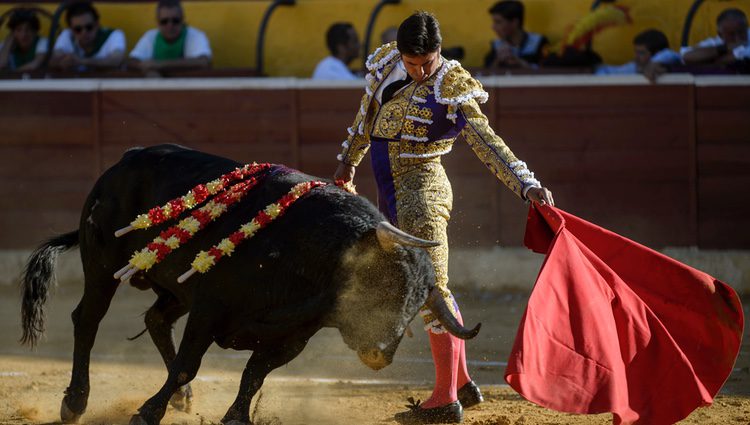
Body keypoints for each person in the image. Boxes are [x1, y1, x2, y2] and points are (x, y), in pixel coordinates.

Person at [333, 11, 553, 425]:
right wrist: (349, 160)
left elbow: (489, 144)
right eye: (413, 63)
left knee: (432, 288)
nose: (419, 71)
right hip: (391, 196)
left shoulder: (452, 86)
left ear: (440, 52)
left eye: (427, 63)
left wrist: (526, 183)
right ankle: (464, 383)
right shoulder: (386, 65)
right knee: (427, 287)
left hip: (423, 194)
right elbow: (366, 119)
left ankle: (444, 400)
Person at [128, 0, 211, 75]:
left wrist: (160, 65)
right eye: (164, 21)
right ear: (157, 23)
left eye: (175, 21)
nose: (170, 25)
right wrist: (150, 69)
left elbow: (203, 62)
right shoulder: (151, 36)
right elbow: (132, 61)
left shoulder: (195, 35)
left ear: (183, 21)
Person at [50, 1, 126, 72]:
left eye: (89, 27)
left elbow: (116, 60)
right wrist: (61, 62)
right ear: (71, 30)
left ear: (97, 25)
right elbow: (53, 61)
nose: (84, 32)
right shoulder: (67, 35)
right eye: (78, 29)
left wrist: (81, 61)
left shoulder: (114, 35)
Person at [596, 29, 681, 81]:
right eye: (636, 52)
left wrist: (654, 62)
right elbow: (606, 72)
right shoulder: (635, 67)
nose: (636, 57)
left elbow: (671, 54)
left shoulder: (669, 59)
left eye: (641, 53)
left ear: (657, 53)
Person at [484, 0, 548, 69]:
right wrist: (498, 61)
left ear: (515, 22)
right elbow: (486, 73)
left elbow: (550, 73)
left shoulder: (539, 43)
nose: (493, 27)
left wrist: (519, 62)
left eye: (498, 22)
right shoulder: (496, 46)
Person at [681, 8, 750, 66]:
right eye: (731, 34)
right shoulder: (716, 42)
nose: (737, 38)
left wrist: (713, 60)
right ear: (720, 34)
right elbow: (687, 57)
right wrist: (725, 48)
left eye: (741, 32)